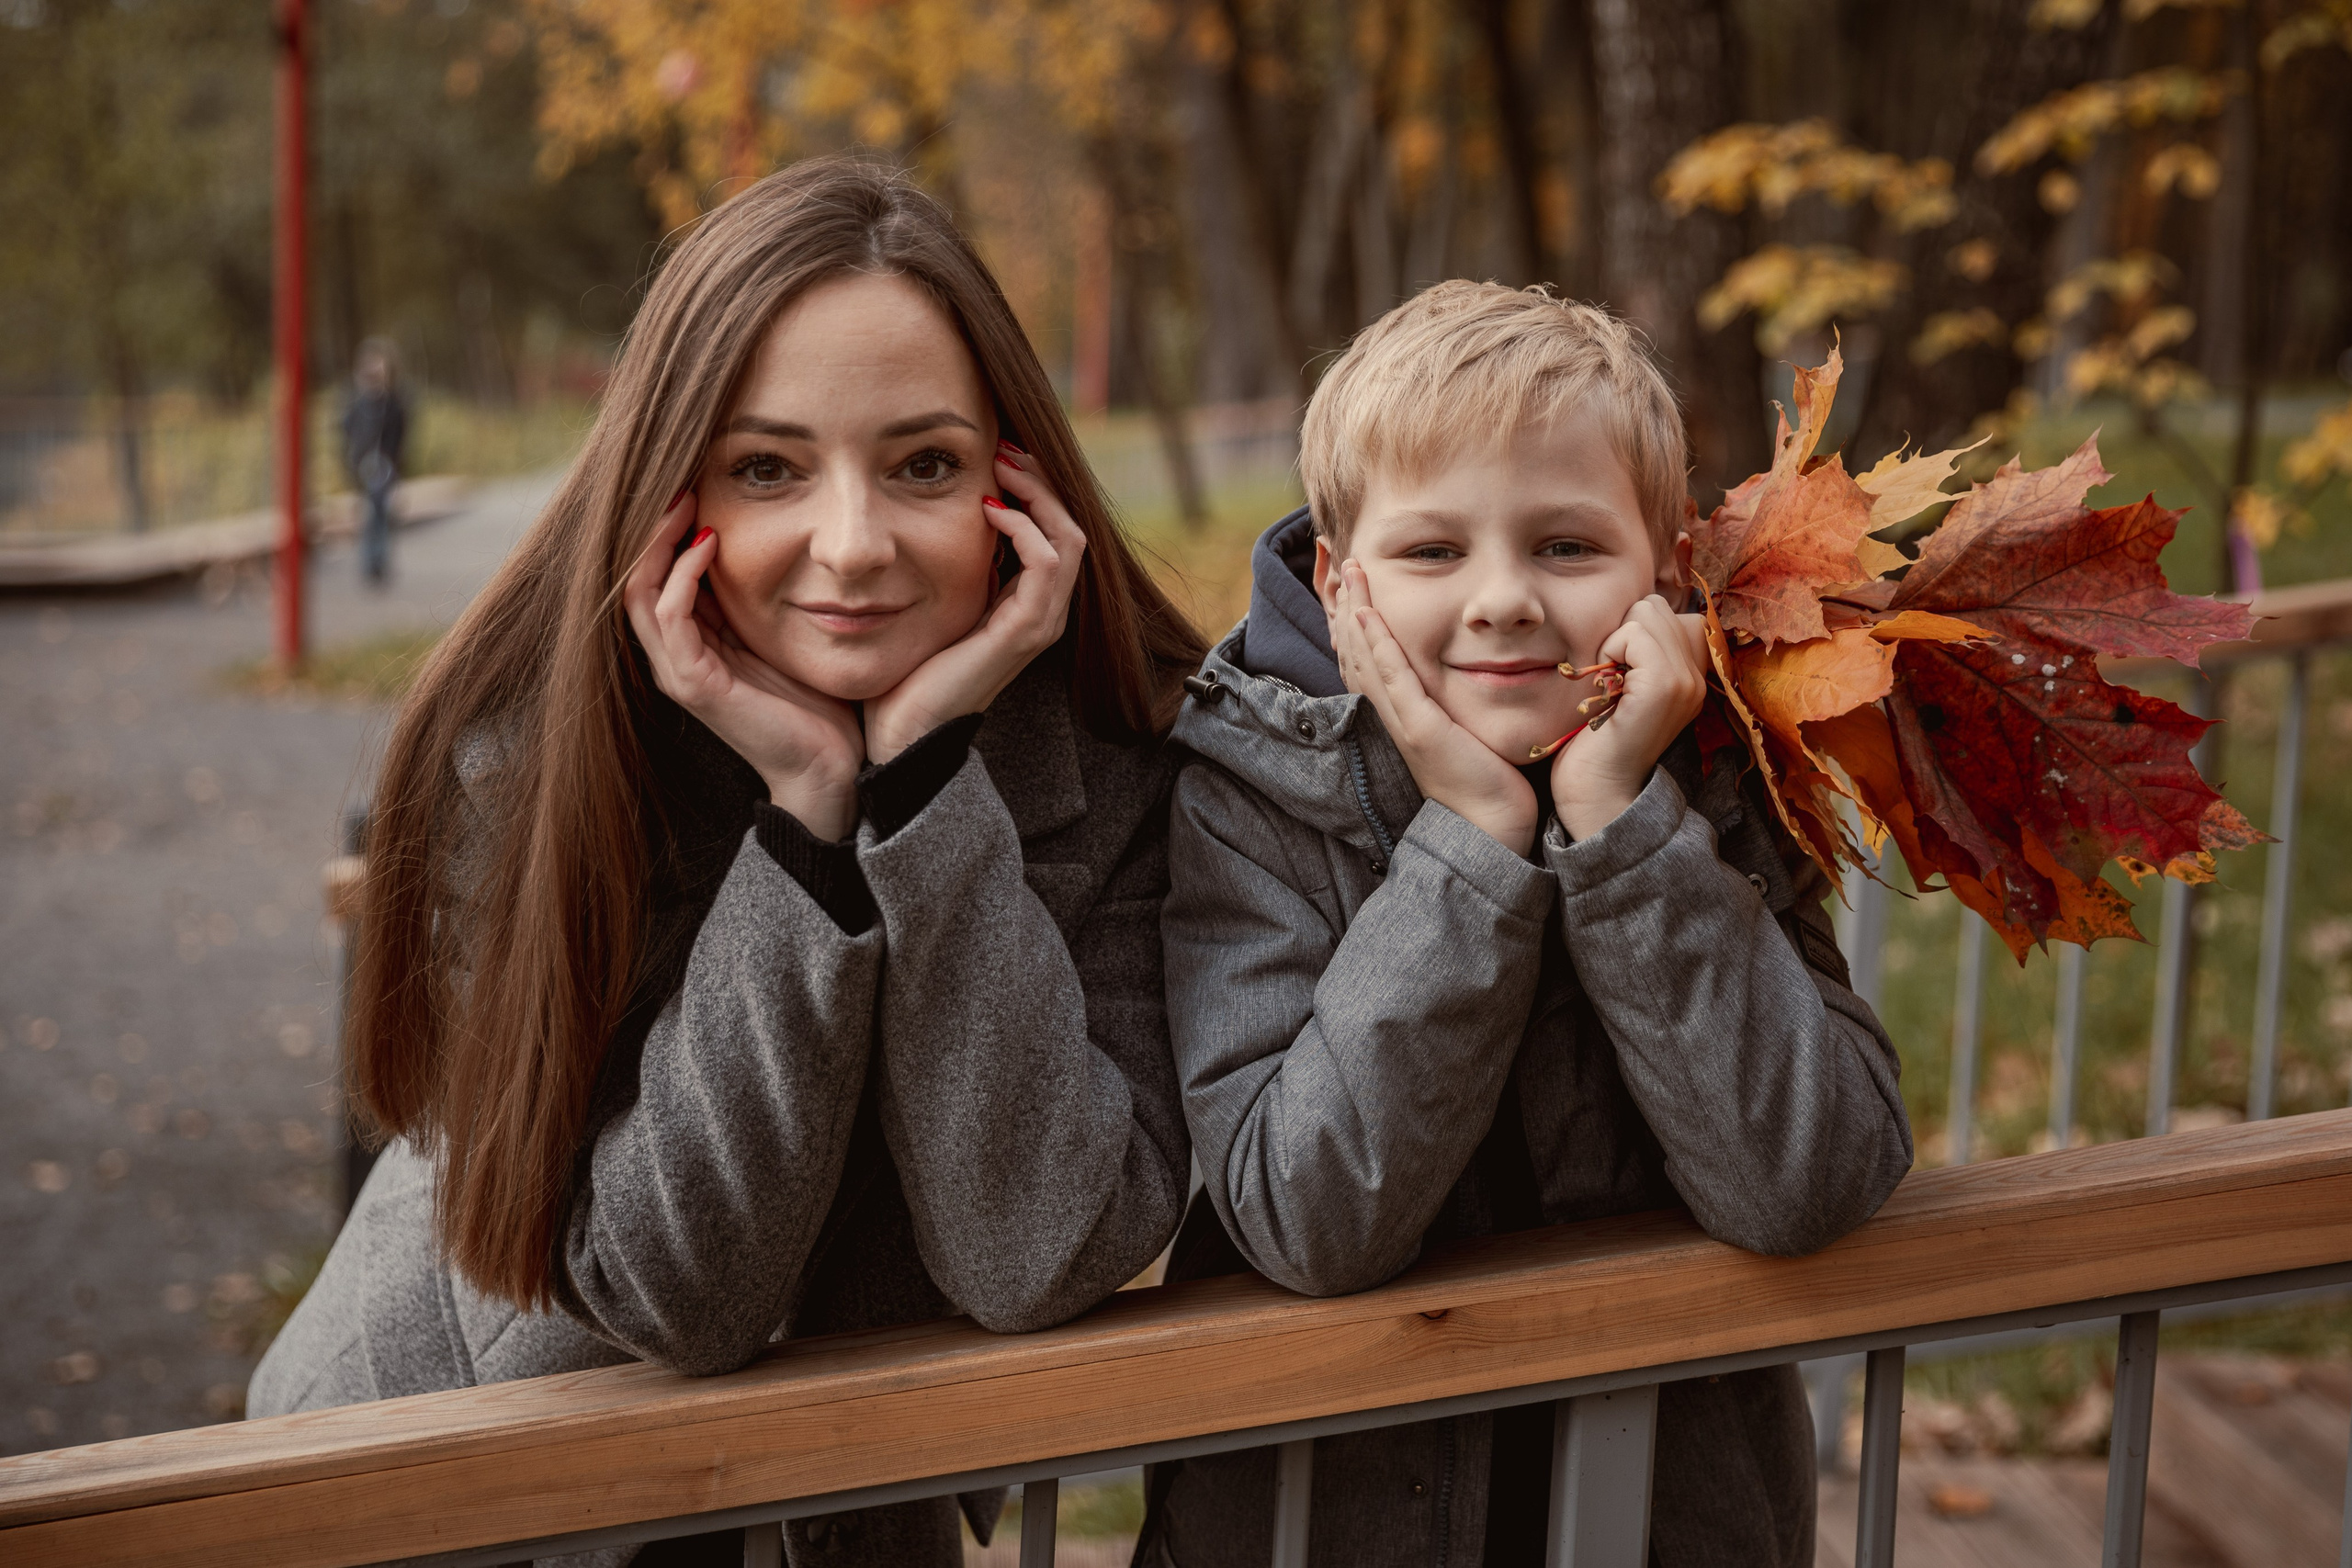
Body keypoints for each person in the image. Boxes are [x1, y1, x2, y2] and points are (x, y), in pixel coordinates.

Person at [249, 157, 1204, 1568]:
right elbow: (679, 1293)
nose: (854, 543)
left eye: (923, 463)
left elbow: (1038, 1251)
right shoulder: (519, 749)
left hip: (824, 1506)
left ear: (1018, 485)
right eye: (768, 467)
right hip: (440, 1492)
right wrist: (806, 815)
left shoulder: (1119, 756)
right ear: (669, 491)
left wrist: (928, 781)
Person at [1136, 282, 1913, 1567]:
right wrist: (1470, 842)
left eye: (1565, 547)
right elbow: (1305, 1214)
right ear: (1339, 581)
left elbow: (1809, 1176)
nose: (1501, 599)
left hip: (1673, 1517)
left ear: (1664, 567)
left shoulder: (1713, 774)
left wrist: (1620, 826)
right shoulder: (1246, 792)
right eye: (1434, 551)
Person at [341, 337, 408, 586]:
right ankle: (371, 562)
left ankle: (379, 561)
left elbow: (400, 434)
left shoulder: (392, 403)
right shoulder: (357, 403)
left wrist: (396, 465)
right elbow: (348, 433)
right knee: (370, 515)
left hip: (385, 464)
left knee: (382, 513)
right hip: (363, 464)